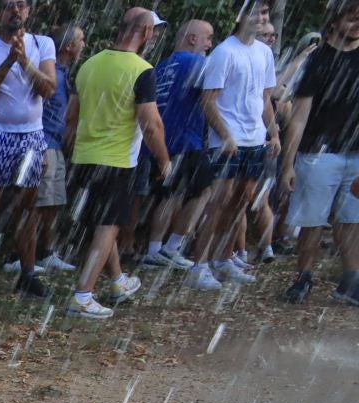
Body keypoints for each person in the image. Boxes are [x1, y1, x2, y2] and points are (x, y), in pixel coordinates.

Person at [64, 8, 169, 318]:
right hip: (117, 160)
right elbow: (151, 124)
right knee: (107, 226)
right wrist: (164, 160)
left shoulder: (89, 64)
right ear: (146, 33)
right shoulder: (142, 69)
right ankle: (82, 295)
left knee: (102, 223)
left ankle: (118, 281)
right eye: (153, 32)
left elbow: (72, 116)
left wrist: (74, 150)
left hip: (85, 156)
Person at [0, 0, 58, 298]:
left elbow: (49, 89)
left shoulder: (42, 44)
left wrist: (25, 61)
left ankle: (27, 274)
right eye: (8, 6)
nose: (15, 10)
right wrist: (8, 62)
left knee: (28, 210)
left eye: (21, 5)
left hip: (31, 137)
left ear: (28, 11)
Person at [187, 0, 277, 289]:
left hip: (254, 140)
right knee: (218, 203)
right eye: (257, 12)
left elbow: (264, 99)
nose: (263, 17)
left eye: (265, 12)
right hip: (227, 142)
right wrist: (225, 135)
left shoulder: (264, 52)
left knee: (241, 203)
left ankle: (223, 259)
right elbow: (207, 100)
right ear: (240, 16)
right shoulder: (224, 52)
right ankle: (199, 266)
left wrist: (273, 132)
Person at [279, 0, 359, 304]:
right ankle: (304, 276)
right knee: (312, 220)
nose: (356, 24)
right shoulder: (317, 60)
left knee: (353, 219)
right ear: (335, 21)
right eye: (351, 18)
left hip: (356, 153)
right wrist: (288, 164)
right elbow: (299, 117)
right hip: (318, 153)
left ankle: (351, 280)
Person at [140, 19, 216, 270]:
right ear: (193, 39)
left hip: (162, 140)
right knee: (198, 192)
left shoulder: (162, 66)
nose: (210, 44)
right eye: (208, 38)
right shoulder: (196, 62)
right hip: (187, 139)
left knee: (170, 193)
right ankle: (170, 247)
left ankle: (154, 249)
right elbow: (215, 93)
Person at [28, 23, 84, 277]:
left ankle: (48, 252)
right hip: (45, 144)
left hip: (55, 144)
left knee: (53, 202)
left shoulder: (63, 73)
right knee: (38, 204)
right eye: (80, 40)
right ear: (69, 46)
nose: (84, 45)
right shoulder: (54, 75)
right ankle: (23, 255)